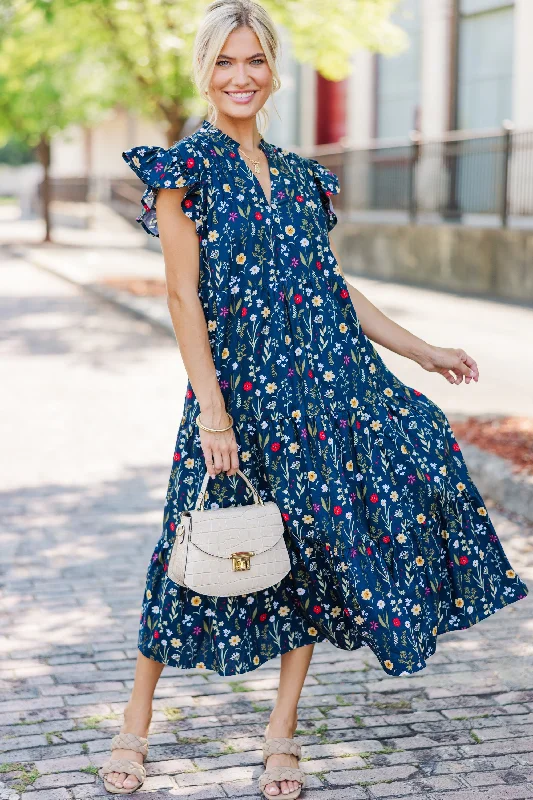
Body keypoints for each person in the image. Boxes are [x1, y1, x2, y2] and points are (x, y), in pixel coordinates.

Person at [101, 0, 530, 795]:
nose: (240, 76)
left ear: (272, 70)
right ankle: (134, 726)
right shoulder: (182, 171)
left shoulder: (301, 177)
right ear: (205, 71)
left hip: (328, 392)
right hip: (237, 395)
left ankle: (280, 734)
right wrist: (215, 414)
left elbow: (331, 291)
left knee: (310, 555)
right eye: (225, 62)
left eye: (253, 60)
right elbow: (181, 298)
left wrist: (425, 352)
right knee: (185, 550)